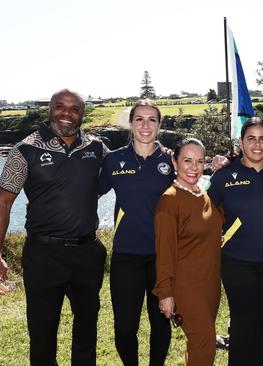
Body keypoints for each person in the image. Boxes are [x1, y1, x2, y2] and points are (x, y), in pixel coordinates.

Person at [0, 89, 108, 365]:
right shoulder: (24, 150)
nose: (66, 114)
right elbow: (2, 203)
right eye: (60, 107)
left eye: (74, 109)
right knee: (42, 335)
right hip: (43, 255)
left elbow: (131, 168)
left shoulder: (97, 148)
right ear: (50, 109)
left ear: (82, 114)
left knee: (87, 332)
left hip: (87, 254)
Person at [208, 117, 263, 365]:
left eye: (262, 138)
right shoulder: (224, 176)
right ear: (241, 142)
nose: (257, 144)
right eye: (251, 138)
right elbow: (203, 210)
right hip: (236, 260)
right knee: (243, 322)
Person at [98, 100, 174, 365]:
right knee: (125, 327)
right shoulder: (114, 160)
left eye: (152, 119)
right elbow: (88, 192)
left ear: (159, 125)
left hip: (162, 258)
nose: (145, 125)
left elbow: (195, 186)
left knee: (162, 322)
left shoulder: (170, 159)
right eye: (139, 119)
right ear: (130, 123)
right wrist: (51, 197)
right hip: (125, 256)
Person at [153, 138, 224, 366]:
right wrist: (165, 293)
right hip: (186, 287)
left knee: (197, 346)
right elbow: (164, 252)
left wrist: (224, 170)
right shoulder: (169, 201)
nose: (194, 167)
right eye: (187, 160)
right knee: (205, 344)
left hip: (210, 284)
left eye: (200, 161)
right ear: (174, 162)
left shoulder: (203, 194)